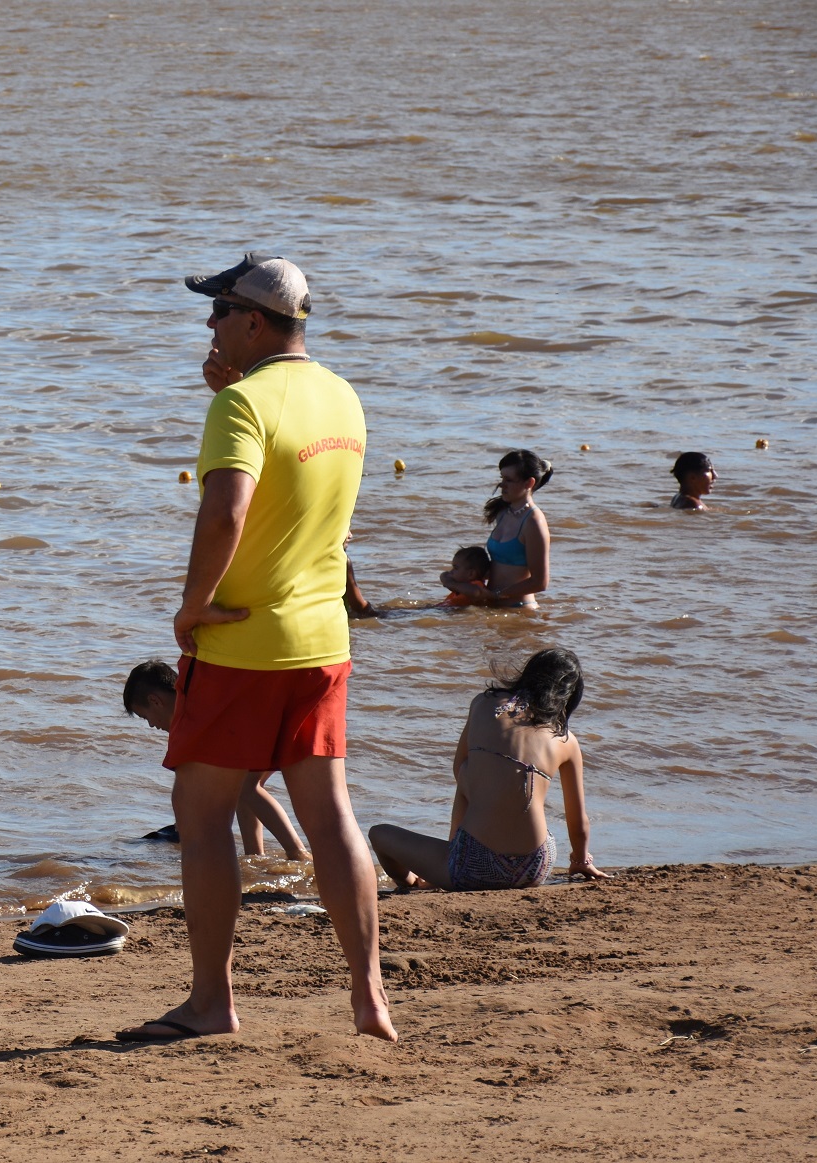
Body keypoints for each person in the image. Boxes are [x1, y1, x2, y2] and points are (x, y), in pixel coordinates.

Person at [116, 252, 395, 1045]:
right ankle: (369, 991)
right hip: (323, 640)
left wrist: (191, 605)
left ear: (254, 321)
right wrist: (231, 395)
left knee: (199, 818)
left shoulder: (240, 407)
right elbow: (305, 504)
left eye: (218, 311)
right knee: (332, 814)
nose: (207, 324)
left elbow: (228, 513)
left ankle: (212, 1000)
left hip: (242, 642)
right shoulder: (342, 396)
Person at [369, 648, 607, 891]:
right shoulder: (567, 741)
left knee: (379, 834)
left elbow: (459, 769)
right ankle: (451, 858)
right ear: (569, 696)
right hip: (534, 867)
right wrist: (581, 860)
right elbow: (578, 821)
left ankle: (413, 884)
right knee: (474, 774)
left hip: (473, 866)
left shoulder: (484, 704)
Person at [123, 661, 311, 861]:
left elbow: (188, 782)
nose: (151, 725)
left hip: (264, 718)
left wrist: (183, 823)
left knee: (246, 787)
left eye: (146, 717)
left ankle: (297, 852)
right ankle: (255, 856)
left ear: (155, 701)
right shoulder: (195, 695)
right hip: (272, 710)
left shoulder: (188, 718)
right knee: (245, 786)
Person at [444, 449, 554, 608]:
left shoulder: (533, 522)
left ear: (528, 483)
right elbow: (499, 566)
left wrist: (497, 594)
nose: (502, 484)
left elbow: (540, 582)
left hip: (518, 610)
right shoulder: (502, 513)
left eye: (509, 480)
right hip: (491, 607)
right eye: (502, 478)